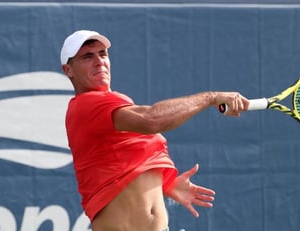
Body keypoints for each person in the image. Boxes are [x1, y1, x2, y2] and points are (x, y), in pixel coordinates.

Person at [60, 30, 249, 231]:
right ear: (68, 70)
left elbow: (121, 165)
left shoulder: (115, 106)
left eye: (102, 54)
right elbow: (152, 120)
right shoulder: (88, 104)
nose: (99, 61)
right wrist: (211, 98)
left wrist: (165, 185)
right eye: (88, 56)